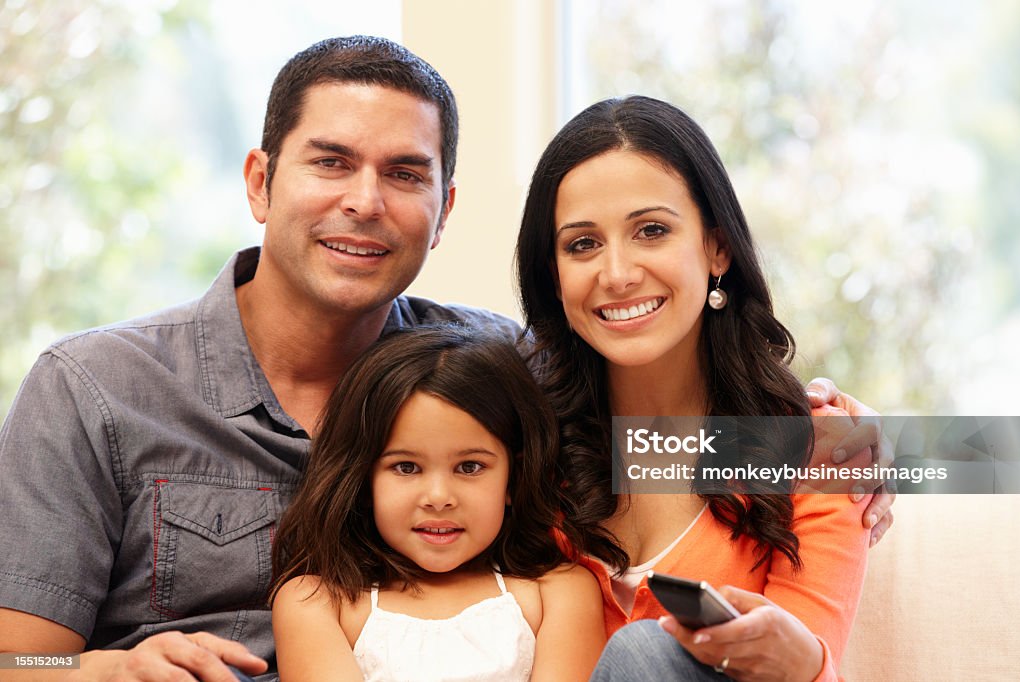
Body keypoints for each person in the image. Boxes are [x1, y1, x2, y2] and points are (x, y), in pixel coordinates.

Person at [0, 35, 889, 682]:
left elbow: (670, 394)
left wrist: (858, 437)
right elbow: (14, 658)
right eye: (331, 163)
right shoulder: (97, 390)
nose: (364, 201)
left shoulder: (499, 375)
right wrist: (91, 672)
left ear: (446, 206)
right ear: (260, 183)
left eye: (405, 174)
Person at [515, 95, 872, 680]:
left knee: (646, 652)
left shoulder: (820, 451)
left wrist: (799, 658)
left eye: (651, 231)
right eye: (582, 244)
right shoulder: (522, 455)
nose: (617, 273)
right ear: (553, 276)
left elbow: (814, 656)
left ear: (717, 248)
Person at [269, 326, 605, 681]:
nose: (439, 498)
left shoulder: (561, 594)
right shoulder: (315, 603)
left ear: (514, 478)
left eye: (470, 467)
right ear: (364, 481)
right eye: (406, 467)